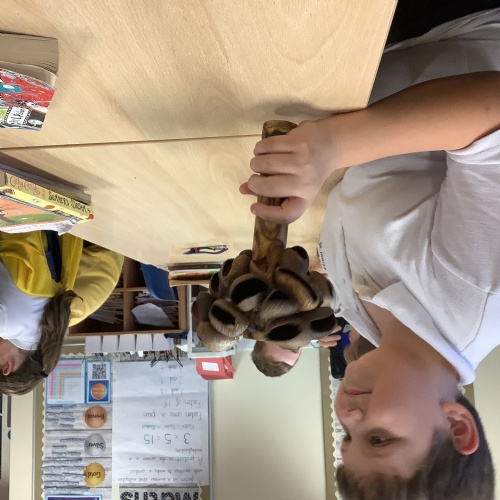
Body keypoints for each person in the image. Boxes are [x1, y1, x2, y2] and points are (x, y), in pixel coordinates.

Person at [241, 7, 500, 498]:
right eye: (378, 438)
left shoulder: (378, 331)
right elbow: (494, 116)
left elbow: (370, 196)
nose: (349, 414)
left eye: (347, 437)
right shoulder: (475, 295)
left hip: (367, 68)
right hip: (448, 26)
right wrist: (333, 146)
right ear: (456, 425)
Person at [0, 230, 123, 395]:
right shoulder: (8, 325)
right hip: (18, 223)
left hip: (54, 228)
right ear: (8, 367)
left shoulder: (54, 319)